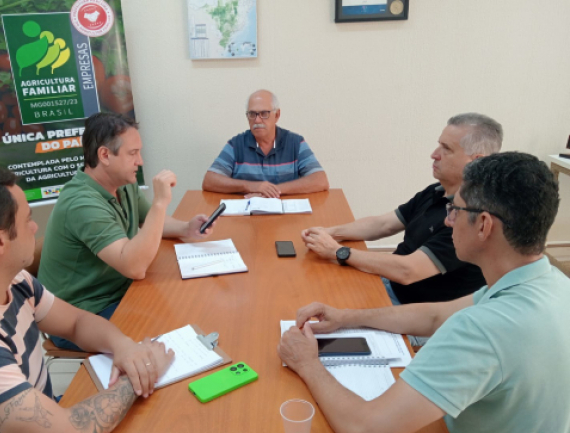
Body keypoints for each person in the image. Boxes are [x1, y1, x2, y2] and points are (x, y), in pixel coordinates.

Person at [279, 152, 570, 433]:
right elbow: (434, 315)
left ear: (483, 225)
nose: (447, 221)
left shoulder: (482, 330)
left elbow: (364, 426)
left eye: (455, 210)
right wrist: (345, 317)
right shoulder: (551, 282)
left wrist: (307, 363)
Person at [0, 166, 175, 433]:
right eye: (27, 220)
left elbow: (76, 322)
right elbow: (70, 429)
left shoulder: (13, 280)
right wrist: (142, 373)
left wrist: (124, 346)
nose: (35, 227)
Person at [39, 113, 214, 349]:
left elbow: (149, 220)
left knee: (192, 301)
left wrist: (185, 228)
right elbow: (135, 267)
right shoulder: (81, 203)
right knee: (178, 332)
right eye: (133, 153)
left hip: (117, 291)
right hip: (82, 314)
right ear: (104, 155)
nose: (140, 161)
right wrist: (161, 202)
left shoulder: (122, 184)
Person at [302, 113, 502, 305]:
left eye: (446, 149)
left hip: (414, 312)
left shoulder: (471, 217)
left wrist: (338, 252)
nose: (434, 155)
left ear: (476, 161)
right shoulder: (438, 190)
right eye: (438, 145)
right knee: (312, 288)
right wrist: (330, 233)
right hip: (390, 284)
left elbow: (409, 271)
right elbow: (383, 224)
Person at [202, 89, 329, 198]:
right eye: (252, 114)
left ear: (277, 115)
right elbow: (209, 181)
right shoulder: (235, 145)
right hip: (246, 218)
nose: (257, 120)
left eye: (264, 114)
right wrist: (251, 186)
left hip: (287, 216)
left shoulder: (295, 143)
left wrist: (273, 190)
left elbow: (320, 180)